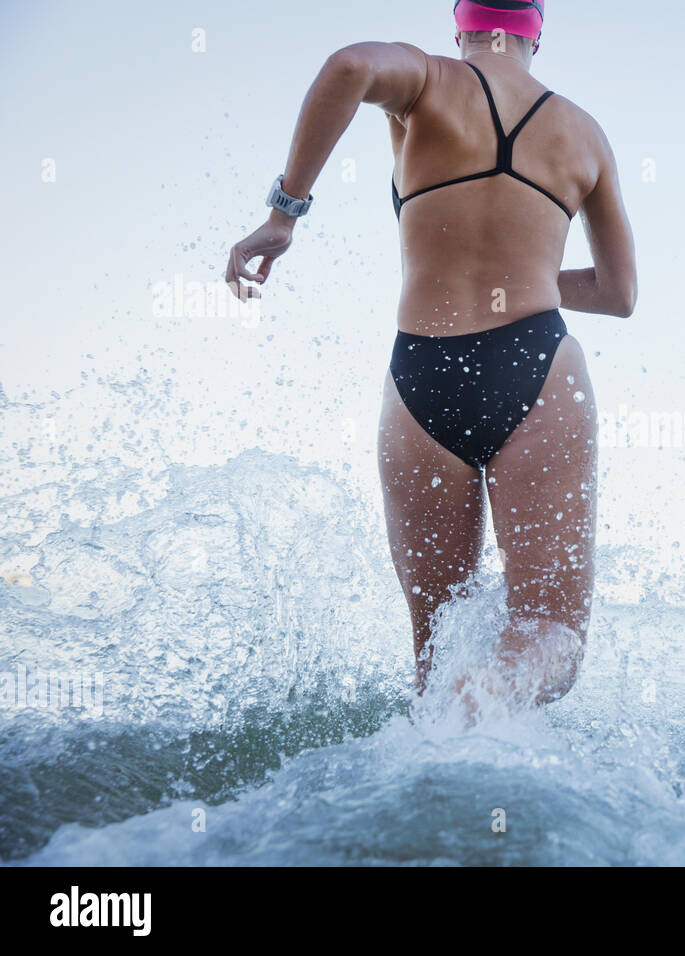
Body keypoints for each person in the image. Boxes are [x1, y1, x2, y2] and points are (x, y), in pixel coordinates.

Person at [225, 0, 637, 715]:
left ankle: (444, 738)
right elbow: (618, 291)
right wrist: (531, 280)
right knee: (551, 633)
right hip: (536, 365)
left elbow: (350, 65)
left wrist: (282, 216)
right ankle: (493, 690)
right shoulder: (584, 134)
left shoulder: (428, 81)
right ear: (537, 31)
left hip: (420, 375)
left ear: (463, 25)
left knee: (434, 650)